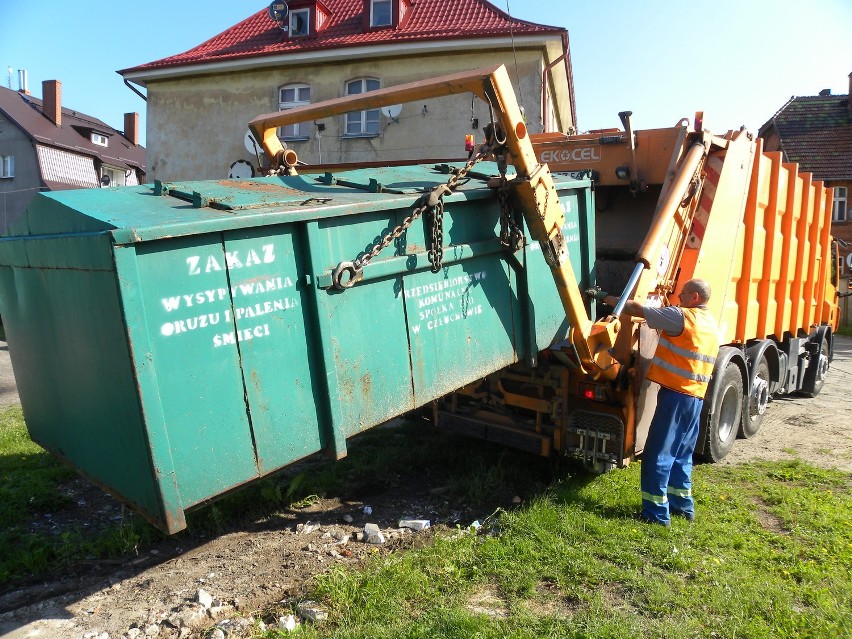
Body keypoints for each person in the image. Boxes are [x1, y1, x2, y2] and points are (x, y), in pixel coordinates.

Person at [591, 279, 720, 526]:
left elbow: (637, 310)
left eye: (683, 293)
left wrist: (604, 296)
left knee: (658, 454)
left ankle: (656, 515)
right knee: (681, 453)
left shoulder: (682, 317)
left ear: (694, 297)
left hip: (675, 396)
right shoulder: (709, 324)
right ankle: (683, 506)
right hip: (695, 399)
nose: (677, 296)